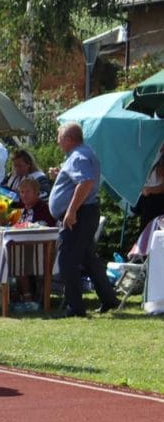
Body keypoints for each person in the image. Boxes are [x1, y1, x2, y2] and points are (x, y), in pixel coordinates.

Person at [48, 121, 120, 318]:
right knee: (88, 258)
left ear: (69, 139)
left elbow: (85, 182)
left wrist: (71, 211)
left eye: (60, 138)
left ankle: (75, 307)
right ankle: (108, 299)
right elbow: (80, 180)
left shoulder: (79, 156)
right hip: (86, 212)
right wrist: (61, 174)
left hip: (80, 214)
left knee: (67, 259)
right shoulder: (83, 153)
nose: (58, 142)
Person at [134, 143, 164, 229]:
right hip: (147, 199)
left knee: (151, 231)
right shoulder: (151, 153)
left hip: (155, 200)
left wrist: (150, 190)